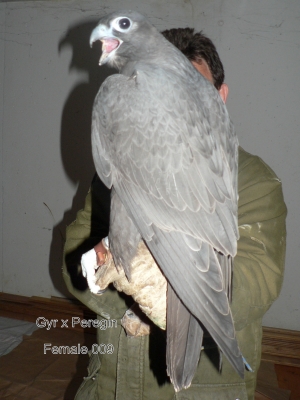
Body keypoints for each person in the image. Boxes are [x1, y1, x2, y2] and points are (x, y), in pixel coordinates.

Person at [62, 28, 287, 400]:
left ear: (220, 97)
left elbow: (255, 282)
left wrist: (165, 291)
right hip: (113, 385)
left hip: (200, 388)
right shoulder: (124, 163)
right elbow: (75, 260)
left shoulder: (254, 181)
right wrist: (107, 270)